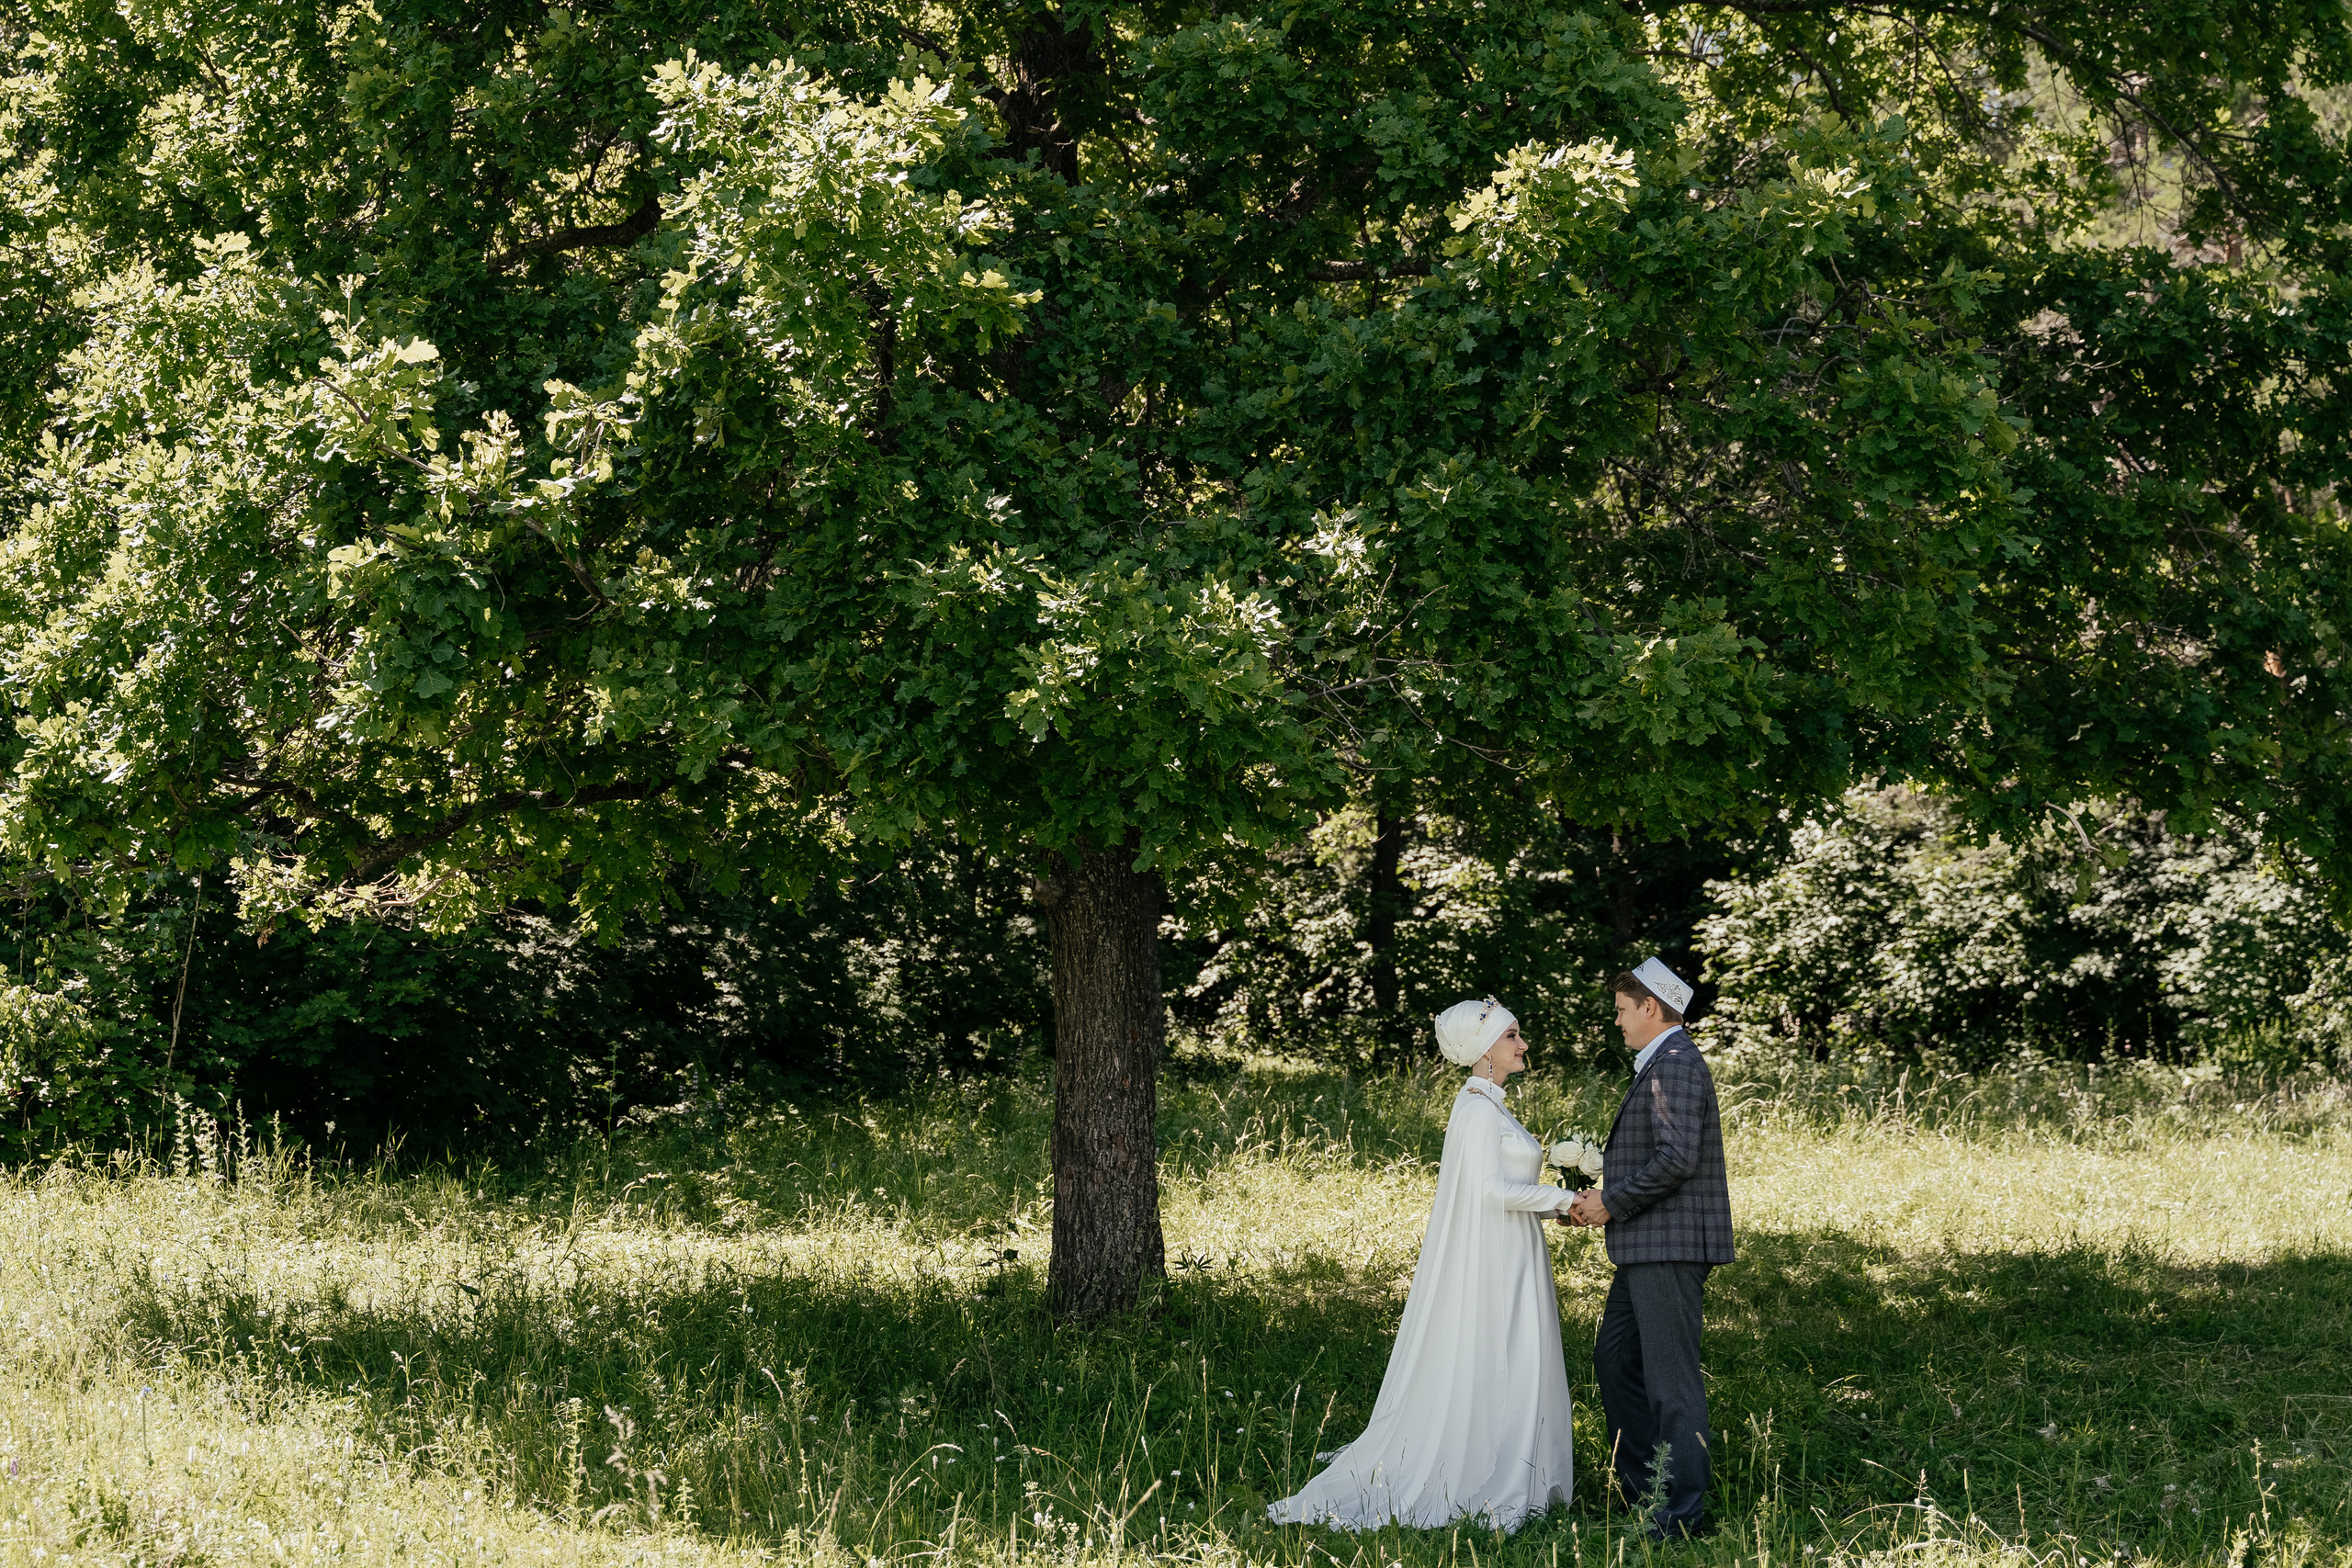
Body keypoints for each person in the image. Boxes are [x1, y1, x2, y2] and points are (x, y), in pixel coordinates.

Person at [1267, 996, 1577, 1531]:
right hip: (1498, 1257)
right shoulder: (1478, 1110)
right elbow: (1486, 1191)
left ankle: (1523, 1461)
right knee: (1505, 1348)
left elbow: (1506, 1190)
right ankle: (1496, 1472)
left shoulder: (1493, 1105)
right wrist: (1562, 1198)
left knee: (1521, 1349)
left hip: (1515, 1247)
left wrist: (1555, 1207)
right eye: (1512, 1036)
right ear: (1483, 1051)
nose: (1523, 1044)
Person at [1566, 958, 1735, 1540]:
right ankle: (1646, 1491)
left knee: (1671, 1381)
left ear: (1651, 1008)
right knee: (1616, 1361)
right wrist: (1605, 1195)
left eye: (1620, 1010)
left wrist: (1612, 1202)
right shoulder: (1661, 1062)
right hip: (1646, 1244)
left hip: (1669, 1245)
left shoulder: (1676, 1064)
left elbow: (1676, 1159)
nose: (1616, 1021)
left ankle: (1680, 1518)